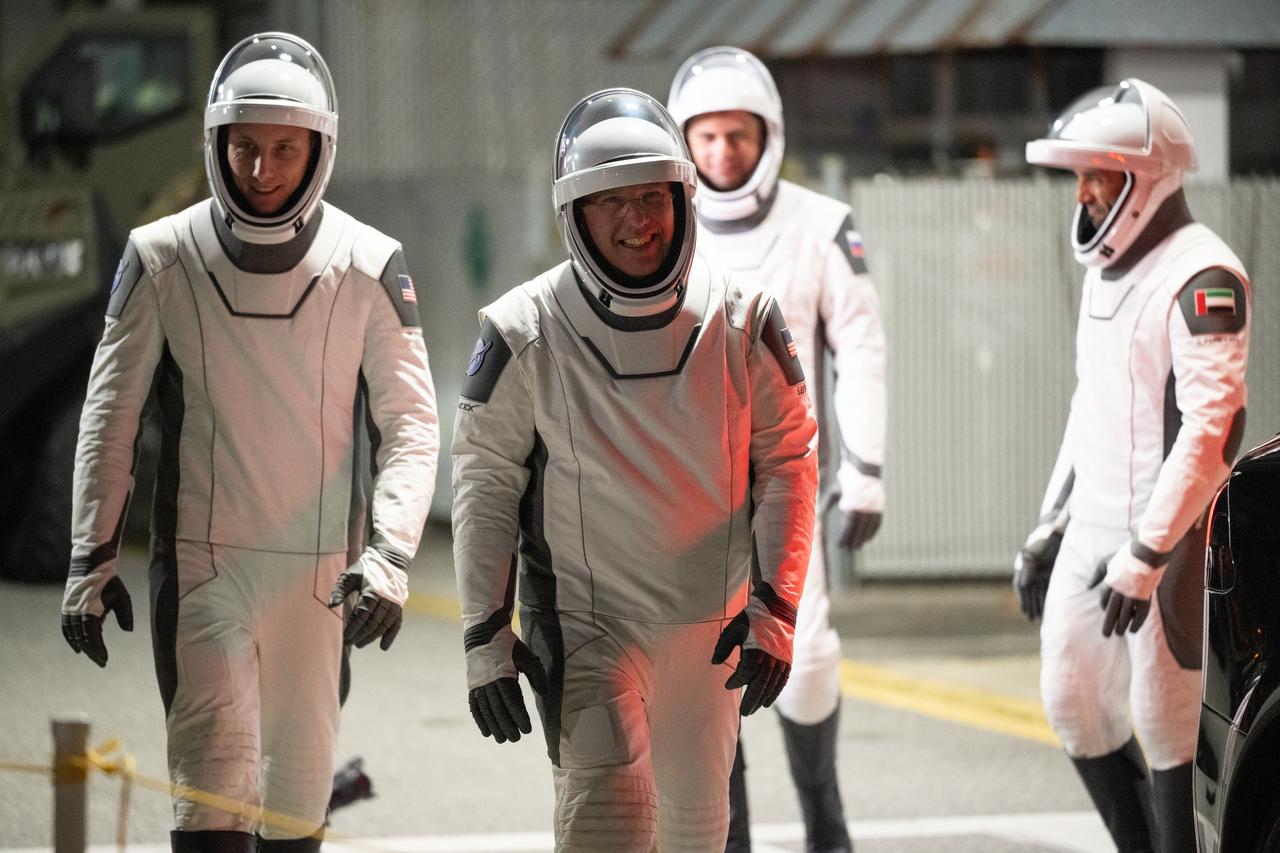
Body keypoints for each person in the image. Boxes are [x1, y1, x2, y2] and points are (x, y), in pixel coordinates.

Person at [59, 32, 439, 852]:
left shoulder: (370, 264)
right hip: (204, 574)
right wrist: (89, 557)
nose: (262, 171)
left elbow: (410, 422)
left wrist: (391, 555)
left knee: (297, 821)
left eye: (283, 150)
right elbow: (110, 413)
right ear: (215, 143)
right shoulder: (161, 256)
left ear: (319, 151)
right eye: (245, 149)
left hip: (321, 584)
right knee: (210, 820)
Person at [451, 87, 818, 849]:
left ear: (683, 198)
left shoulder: (746, 319)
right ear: (574, 215)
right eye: (610, 202)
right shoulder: (523, 330)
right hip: (588, 629)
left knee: (697, 835)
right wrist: (484, 635)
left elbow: (788, 458)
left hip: (711, 635)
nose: (637, 222)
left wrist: (776, 611)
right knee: (606, 826)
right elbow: (485, 482)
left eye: (652, 196)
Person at [1018, 78, 1250, 853]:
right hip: (1093, 529)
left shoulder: (1204, 274)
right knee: (1072, 699)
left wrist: (1148, 553)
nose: (1084, 192)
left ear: (1148, 177)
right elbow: (1091, 405)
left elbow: (1214, 429)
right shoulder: (1102, 273)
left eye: (1101, 175)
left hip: (1171, 539)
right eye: (1080, 175)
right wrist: (1050, 525)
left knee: (1167, 724)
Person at [668, 46, 887, 852]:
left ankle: (825, 820)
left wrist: (863, 469)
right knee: (705, 668)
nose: (723, 153)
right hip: (682, 494)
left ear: (771, 136)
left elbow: (861, 349)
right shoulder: (658, 225)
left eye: (738, 136)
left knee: (807, 654)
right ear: (682, 139)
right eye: (707, 136)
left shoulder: (821, 226)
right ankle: (732, 839)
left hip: (786, 487)